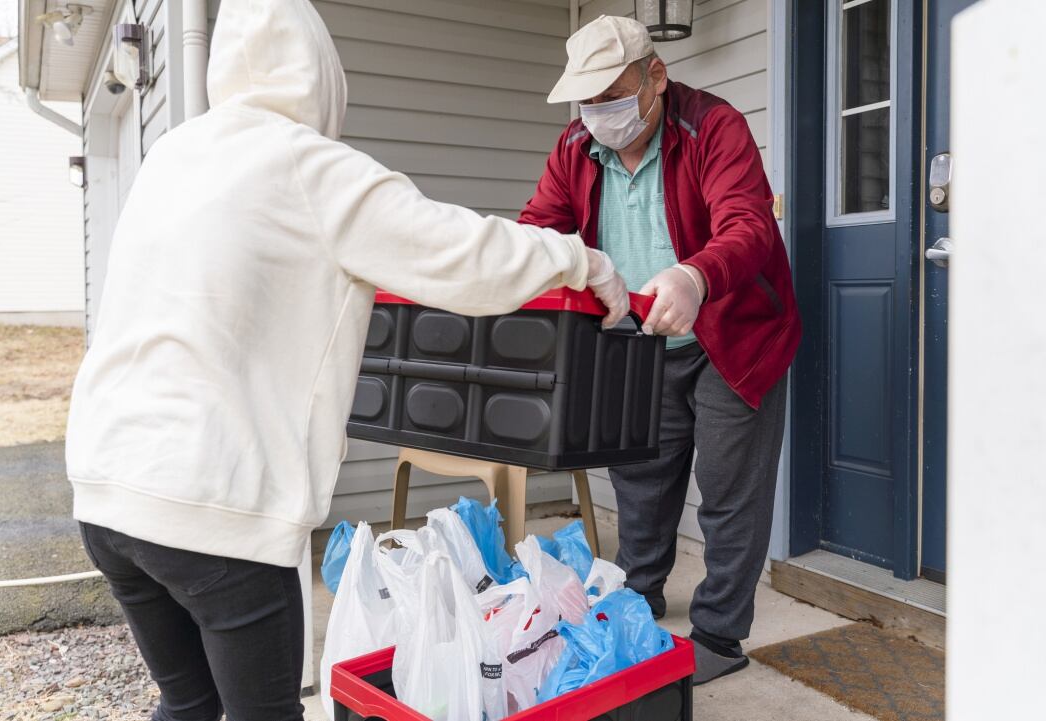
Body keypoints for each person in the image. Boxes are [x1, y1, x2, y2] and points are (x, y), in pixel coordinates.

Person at [64, 0, 629, 718]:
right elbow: (465, 253)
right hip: (212, 506)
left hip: (108, 490)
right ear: (320, 75)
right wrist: (584, 262)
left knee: (188, 706)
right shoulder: (310, 167)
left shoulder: (174, 155)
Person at [519, 15, 802, 684]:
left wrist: (695, 274)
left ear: (655, 78)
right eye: (586, 101)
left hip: (731, 332)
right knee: (640, 479)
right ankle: (636, 599)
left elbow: (748, 223)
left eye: (611, 96)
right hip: (642, 336)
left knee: (730, 490)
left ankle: (718, 636)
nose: (598, 114)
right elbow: (539, 229)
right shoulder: (574, 147)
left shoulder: (714, 127)